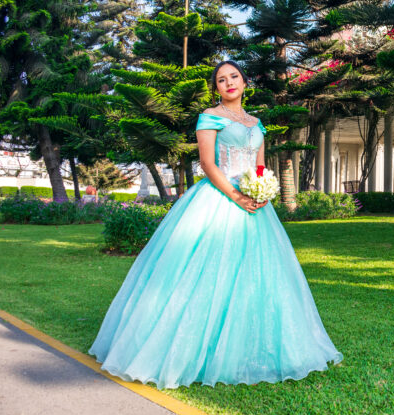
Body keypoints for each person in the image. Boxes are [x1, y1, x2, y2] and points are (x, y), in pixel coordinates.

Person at [89, 61, 342, 389]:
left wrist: (261, 192)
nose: (228, 83)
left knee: (258, 275)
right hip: (219, 198)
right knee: (207, 271)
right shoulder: (210, 117)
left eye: (233, 76)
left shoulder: (257, 123)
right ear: (216, 88)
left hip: (255, 204)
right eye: (221, 80)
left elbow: (260, 165)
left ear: (244, 81)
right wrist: (237, 196)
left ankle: (251, 347)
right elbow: (208, 163)